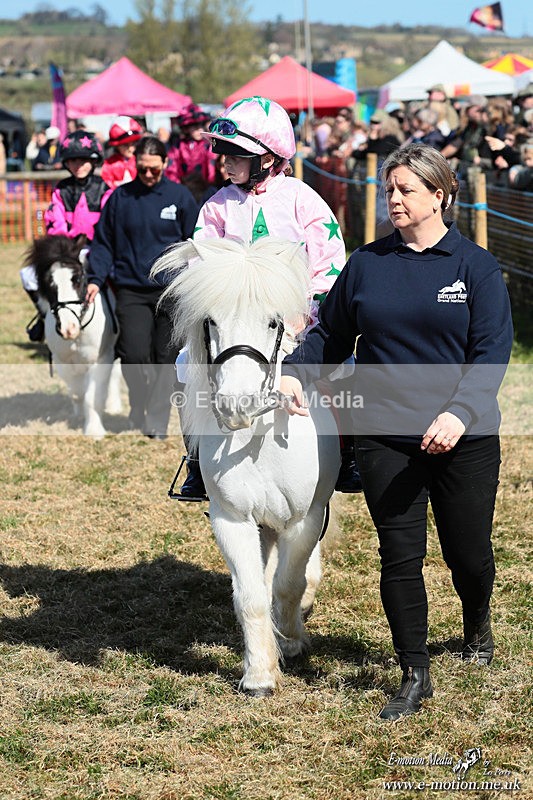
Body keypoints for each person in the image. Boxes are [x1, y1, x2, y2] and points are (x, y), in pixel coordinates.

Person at [279, 143, 513, 721]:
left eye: (407, 189)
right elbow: (330, 335)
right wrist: (293, 375)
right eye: (390, 190)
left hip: (466, 436)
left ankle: (476, 623)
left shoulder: (474, 267)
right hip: (384, 434)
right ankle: (414, 671)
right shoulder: (366, 264)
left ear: (441, 196)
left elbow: (492, 351)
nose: (395, 200)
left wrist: (458, 414)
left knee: (469, 555)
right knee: (399, 557)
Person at [177, 95, 362, 499]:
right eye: (222, 154)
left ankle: (349, 455)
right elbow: (199, 268)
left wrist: (307, 314)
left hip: (298, 323)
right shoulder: (215, 207)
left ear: (267, 158)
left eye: (235, 155)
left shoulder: (304, 200)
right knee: (184, 366)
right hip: (236, 324)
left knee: (343, 366)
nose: (224, 163)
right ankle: (194, 462)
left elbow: (331, 265)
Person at [86, 136, 199, 439]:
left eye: (154, 169)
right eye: (142, 169)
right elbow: (103, 243)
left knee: (166, 359)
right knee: (134, 355)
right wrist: (95, 280)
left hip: (170, 290)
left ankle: (157, 422)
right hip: (131, 289)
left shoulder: (180, 197)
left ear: (165, 164)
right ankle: (138, 403)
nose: (148, 174)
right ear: (135, 165)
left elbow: (197, 244)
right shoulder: (120, 199)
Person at [21, 130, 112, 342]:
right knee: (27, 274)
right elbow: (56, 222)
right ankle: (45, 317)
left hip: (97, 247)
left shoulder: (104, 189)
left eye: (84, 160)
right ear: (66, 163)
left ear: (94, 161)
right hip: (67, 250)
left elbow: (107, 224)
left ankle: (120, 323)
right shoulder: (60, 190)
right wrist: (66, 247)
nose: (78, 165)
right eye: (72, 160)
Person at [165, 104, 214, 185]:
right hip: (184, 187)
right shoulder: (178, 146)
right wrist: (179, 187)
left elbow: (211, 169)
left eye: (201, 126)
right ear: (186, 129)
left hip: (205, 188)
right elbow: (172, 169)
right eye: (195, 127)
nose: (199, 130)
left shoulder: (208, 146)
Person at [101, 117, 144, 189]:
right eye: (125, 145)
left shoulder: (140, 161)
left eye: (133, 144)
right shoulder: (109, 165)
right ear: (117, 146)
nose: (130, 149)